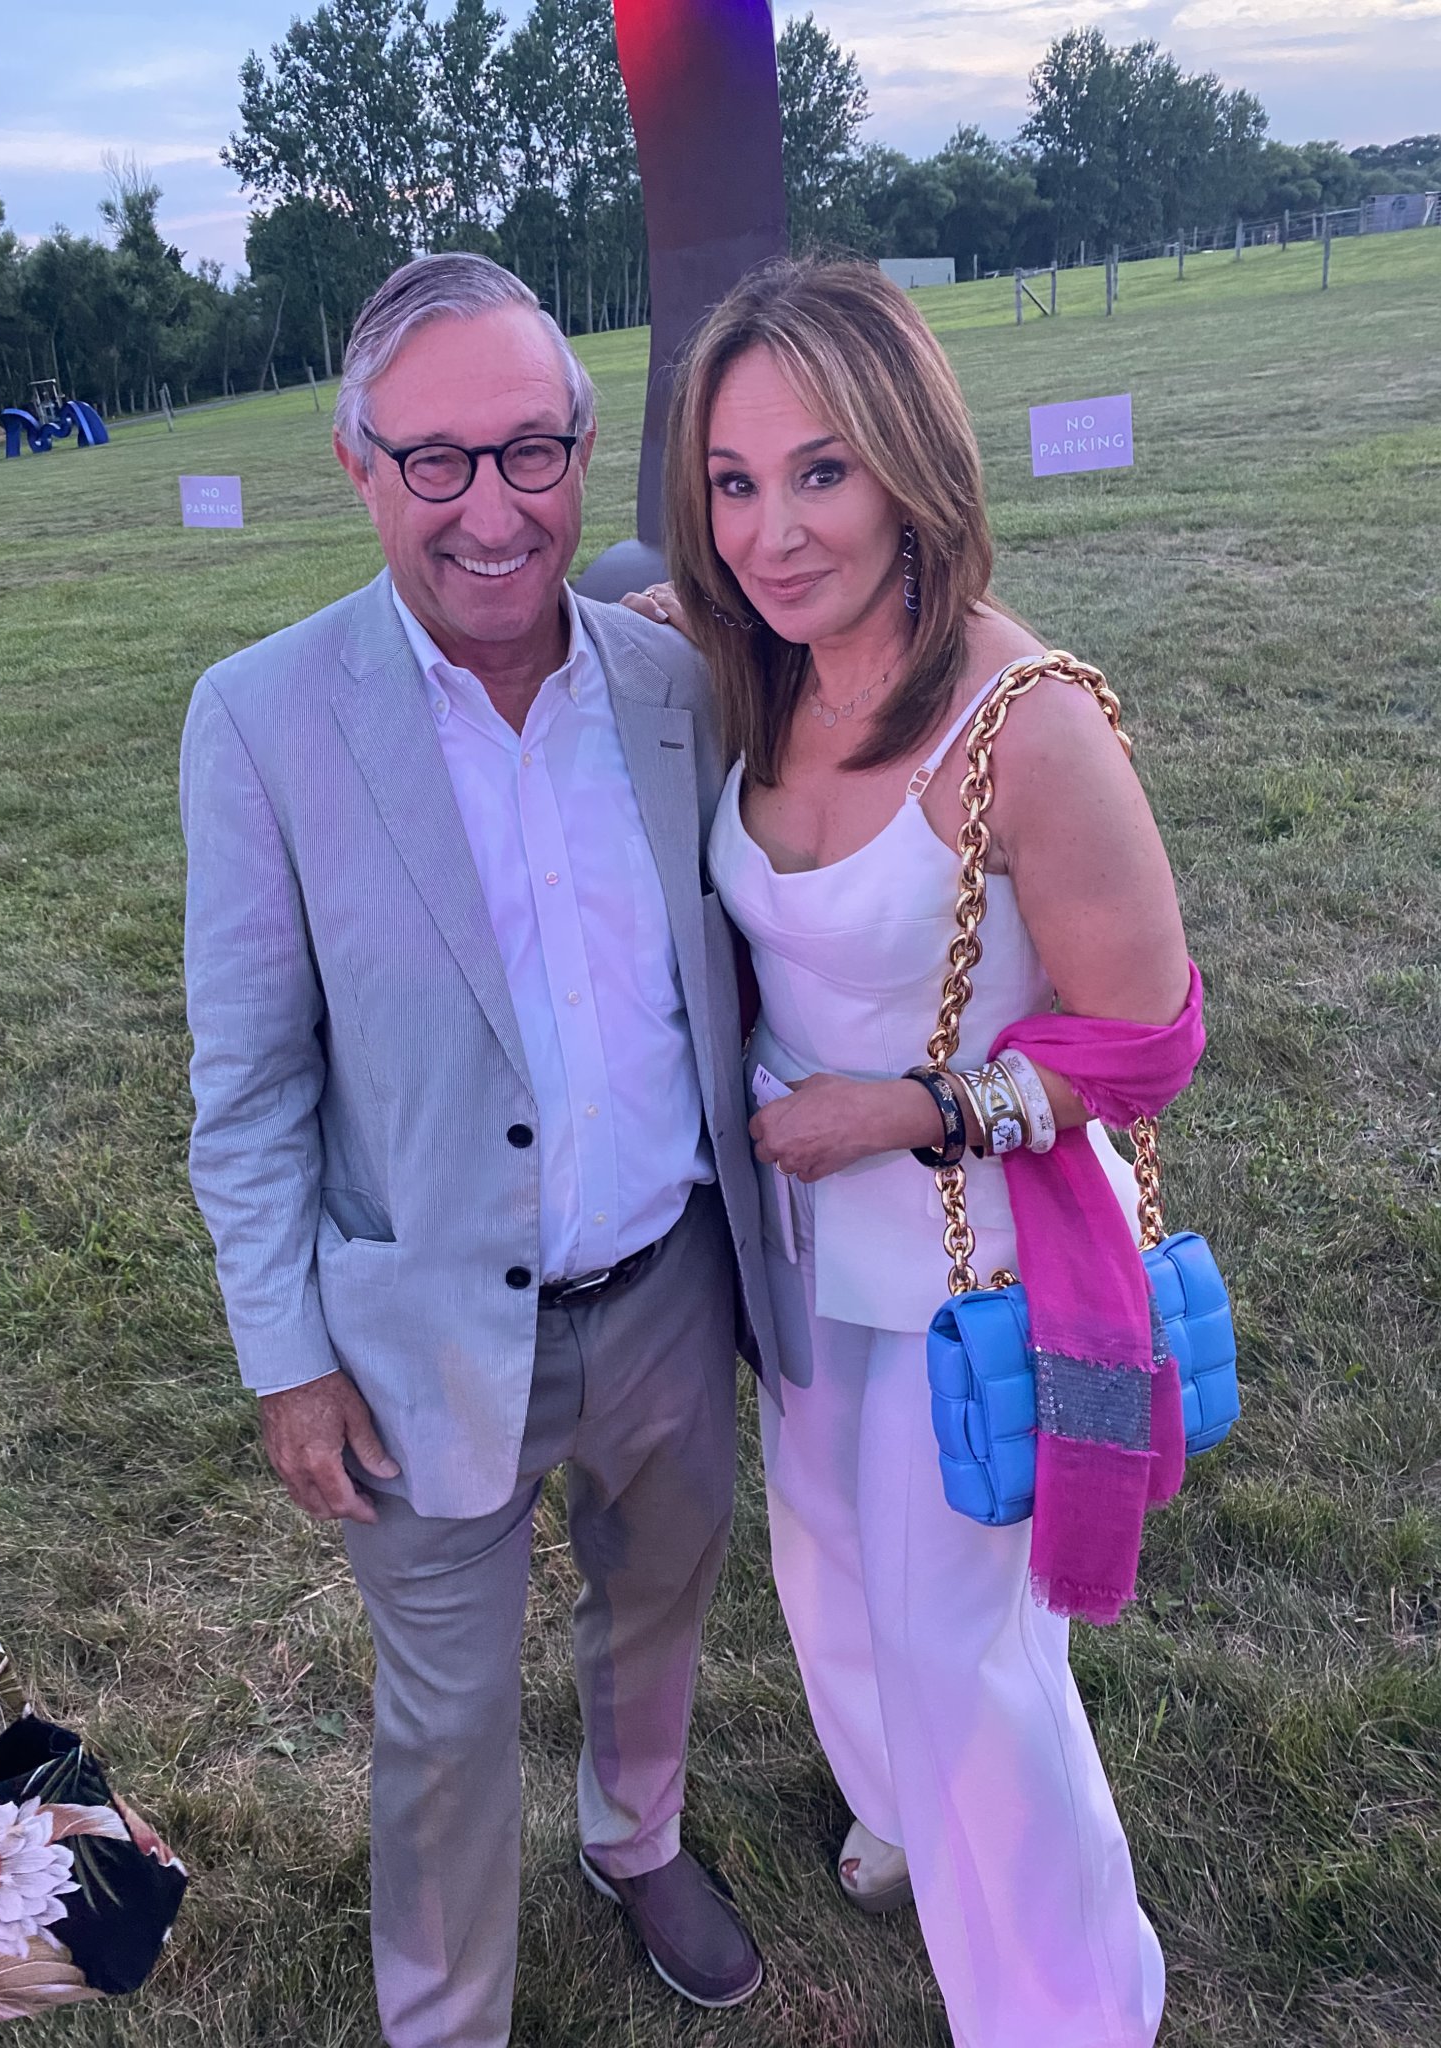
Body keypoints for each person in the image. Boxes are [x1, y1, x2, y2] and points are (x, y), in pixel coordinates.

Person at [179, 252, 779, 2048]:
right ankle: (446, 2019)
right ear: (356, 466)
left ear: (589, 452)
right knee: (443, 1720)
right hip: (422, 1323)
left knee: (658, 1598)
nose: (491, 507)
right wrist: (284, 1360)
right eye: (435, 461)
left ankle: (637, 1833)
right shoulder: (264, 721)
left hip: (671, 1286)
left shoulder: (679, 682)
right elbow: (251, 1083)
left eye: (531, 450)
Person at [644, 258, 1197, 2047]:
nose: (773, 529)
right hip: (810, 1258)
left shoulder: (1022, 723)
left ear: (912, 468)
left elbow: (1150, 1037)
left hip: (983, 1254)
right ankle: (900, 1817)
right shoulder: (753, 668)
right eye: (735, 482)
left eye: (822, 472)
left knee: (970, 1655)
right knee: (824, 1575)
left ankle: (1071, 2007)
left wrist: (910, 1105)